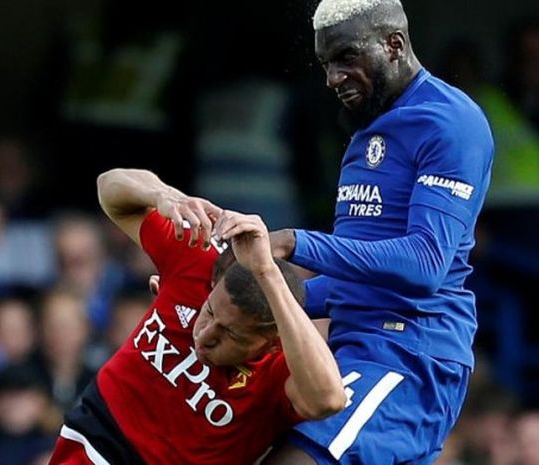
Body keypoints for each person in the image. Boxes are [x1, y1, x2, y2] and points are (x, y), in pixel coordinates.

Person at [260, 1, 494, 464]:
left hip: (407, 354)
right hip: (356, 348)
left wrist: (294, 243)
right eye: (326, 64)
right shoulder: (367, 135)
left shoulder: (449, 122)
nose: (333, 77)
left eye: (346, 56)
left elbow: (425, 263)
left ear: (394, 45)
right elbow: (357, 282)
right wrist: (251, 288)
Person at [48, 168, 346, 465]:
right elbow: (108, 189)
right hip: (94, 442)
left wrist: (266, 270)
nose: (204, 335)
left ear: (270, 344)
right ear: (215, 283)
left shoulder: (284, 367)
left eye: (231, 334)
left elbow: (329, 399)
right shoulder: (198, 258)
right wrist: (166, 196)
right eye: (209, 311)